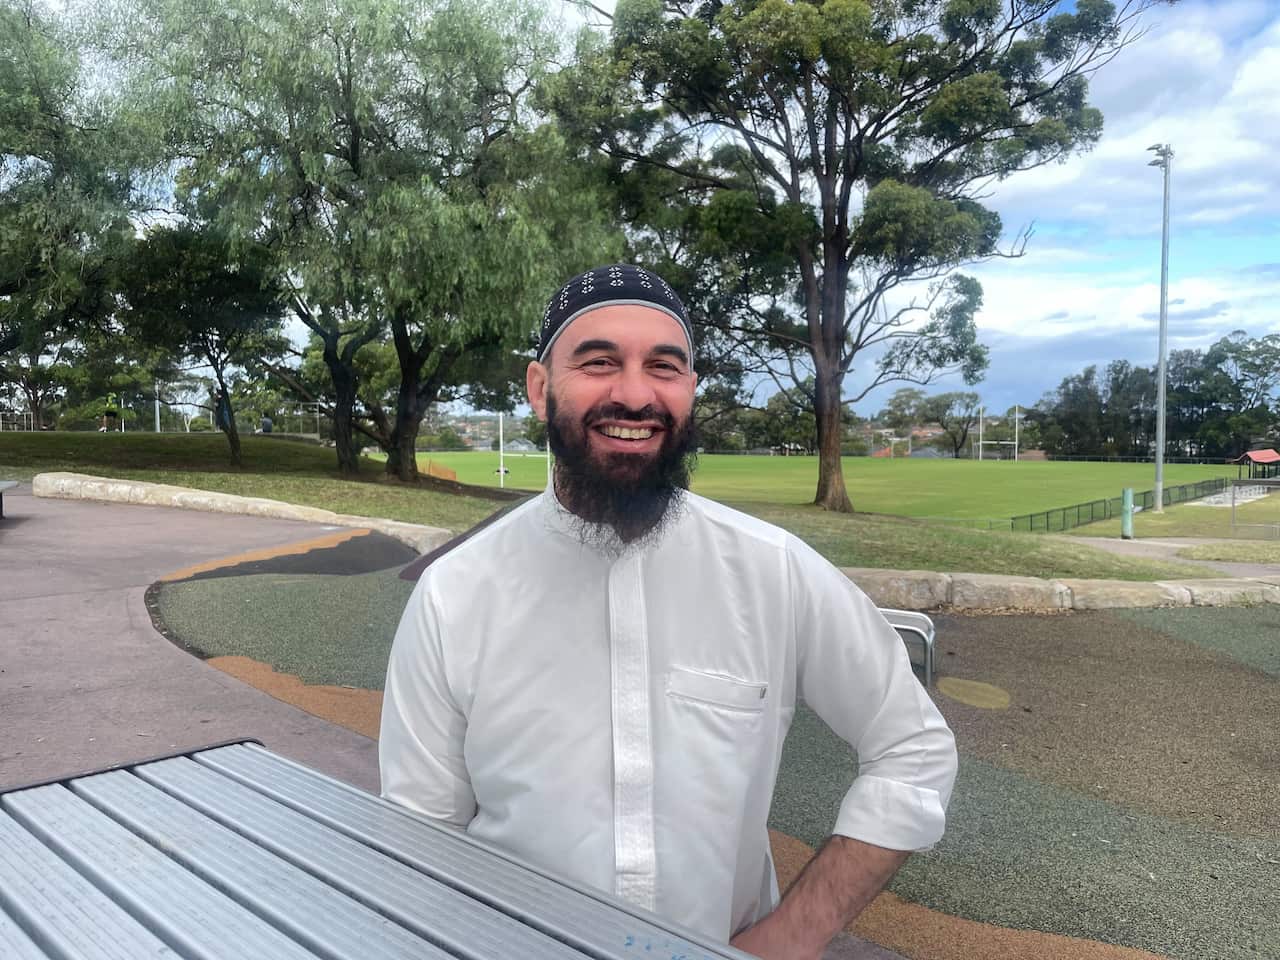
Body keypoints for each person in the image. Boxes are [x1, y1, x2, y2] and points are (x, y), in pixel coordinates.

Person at [380, 264, 958, 960]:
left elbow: (912, 747)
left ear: (689, 390)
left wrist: (792, 936)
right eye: (598, 362)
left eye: (664, 366)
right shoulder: (456, 593)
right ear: (541, 388)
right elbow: (421, 838)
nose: (634, 393)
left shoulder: (772, 570)